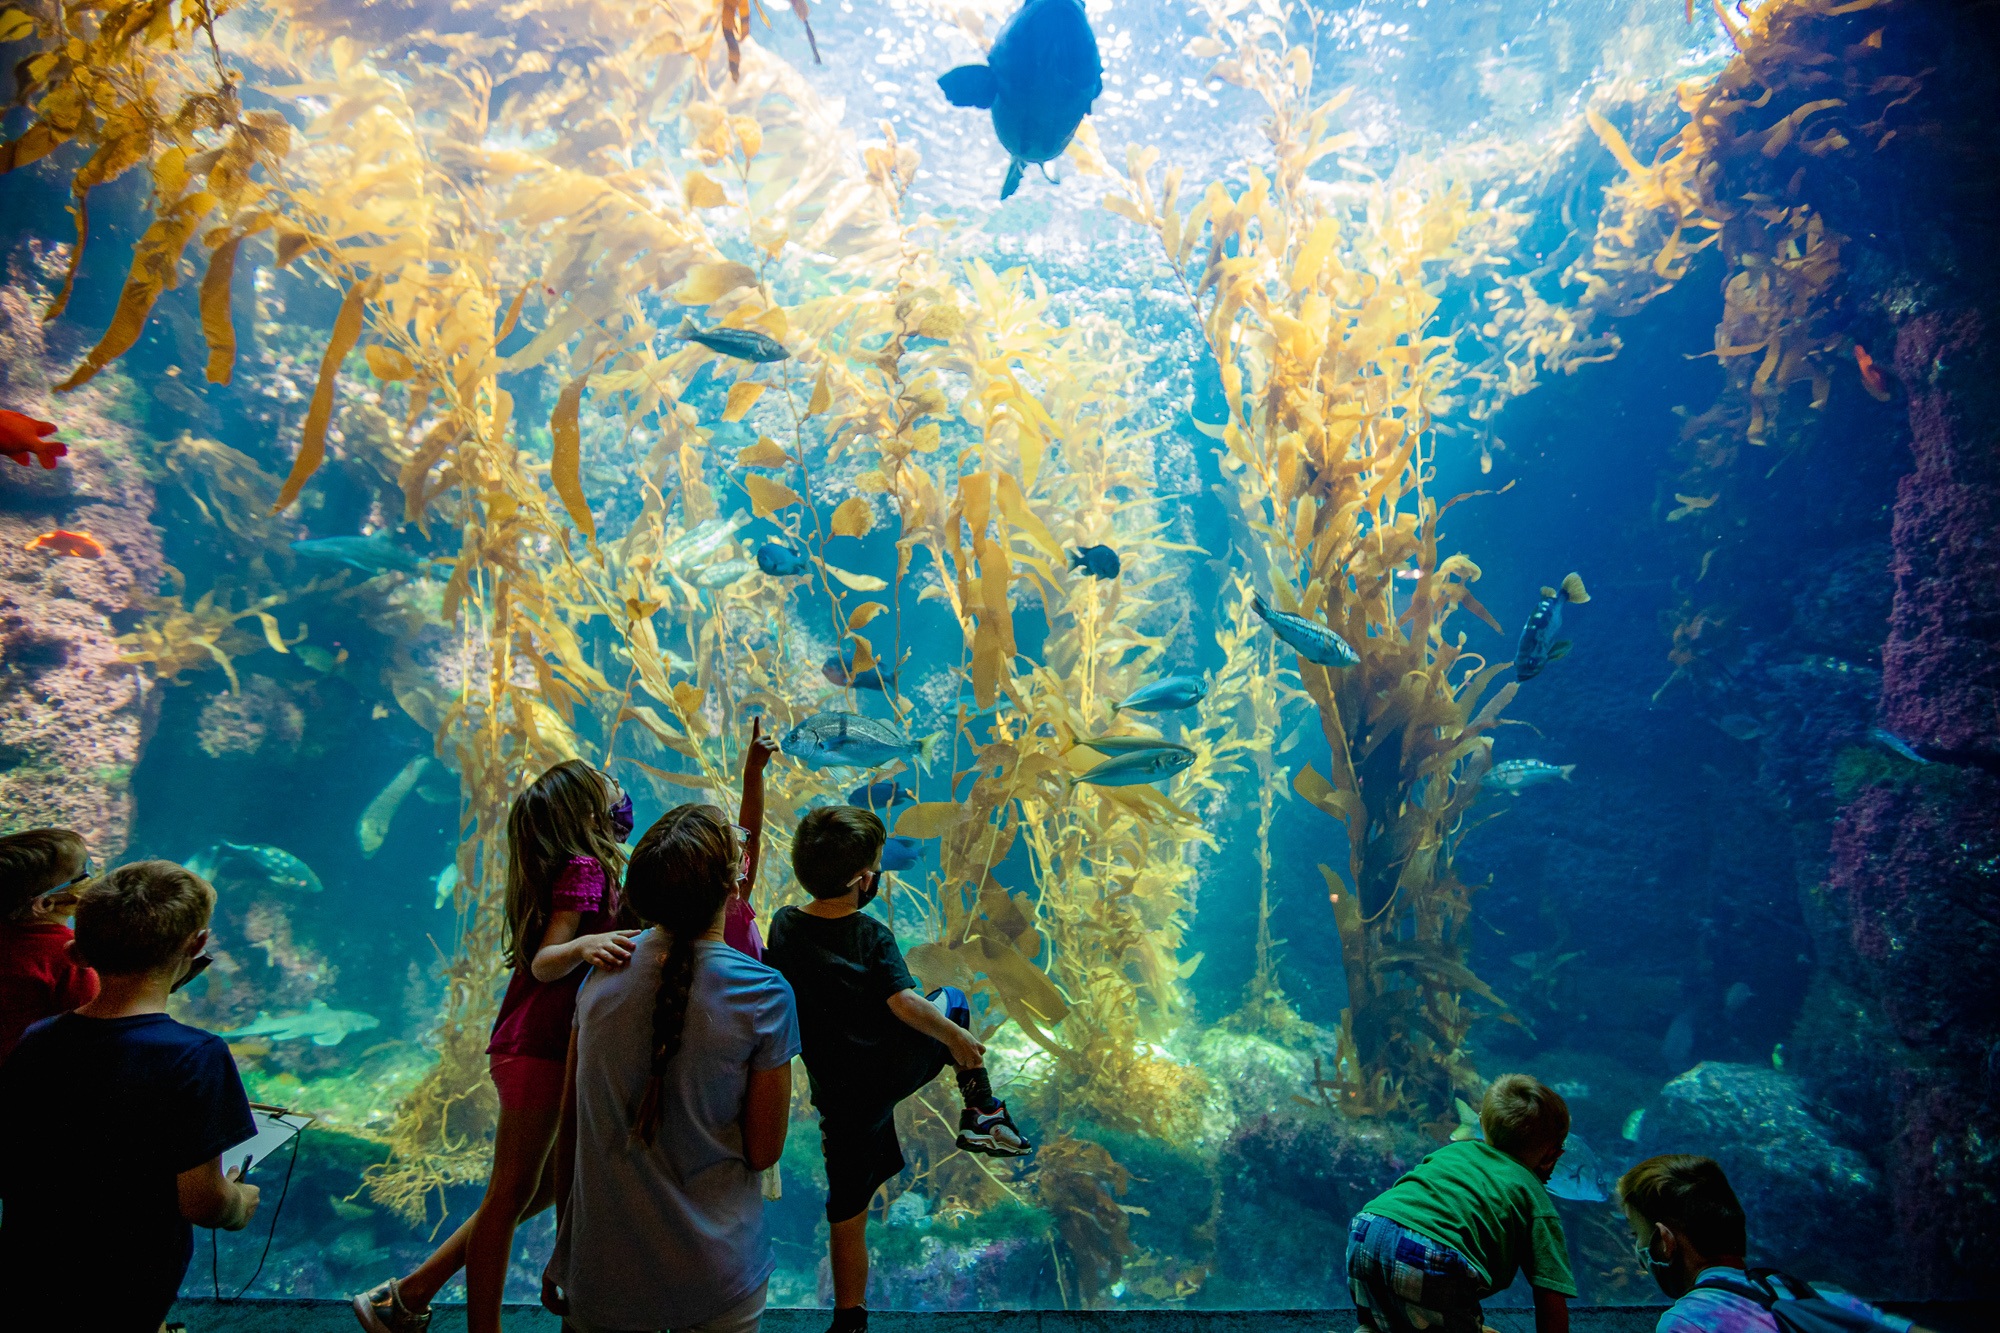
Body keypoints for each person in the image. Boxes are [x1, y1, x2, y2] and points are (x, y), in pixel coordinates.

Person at [355, 760, 638, 1333]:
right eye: (606, 786)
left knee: (530, 1191)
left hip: (553, 1047)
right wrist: (589, 944)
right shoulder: (584, 866)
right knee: (509, 1194)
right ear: (586, 811)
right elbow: (544, 959)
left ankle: (406, 1297)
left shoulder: (594, 863)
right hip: (537, 1045)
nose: (618, 791)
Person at [763, 805, 1031, 1333]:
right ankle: (980, 1109)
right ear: (866, 880)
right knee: (949, 998)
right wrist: (958, 1039)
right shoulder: (872, 935)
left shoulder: (786, 926)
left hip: (841, 1096)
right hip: (891, 1067)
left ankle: (849, 1319)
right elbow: (905, 1002)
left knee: (847, 1210)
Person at [544, 803, 800, 1333]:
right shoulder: (765, 995)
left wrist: (562, 1247)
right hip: (718, 1276)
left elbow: (570, 1128)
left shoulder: (598, 979)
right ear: (733, 887)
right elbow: (764, 1150)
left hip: (600, 1270)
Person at [0, 860, 261, 1333]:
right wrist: (239, 1202)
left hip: (29, 1268)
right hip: (129, 1279)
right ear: (198, 944)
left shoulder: (37, 1039)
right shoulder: (197, 1055)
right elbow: (202, 1202)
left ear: (76, 951)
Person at [1347, 1073, 1578, 1333]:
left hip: (1368, 1229)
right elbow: (1550, 1295)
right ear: (1553, 1154)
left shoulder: (1452, 1151)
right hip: (1434, 1254)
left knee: (1386, 1323)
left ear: (1481, 1123)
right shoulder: (1534, 1196)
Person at [1618, 1154, 1920, 1333]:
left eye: (1636, 1235)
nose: (1638, 1252)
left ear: (1664, 1242)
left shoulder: (1687, 1322)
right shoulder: (1826, 1304)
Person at [0, 827, 100, 1063]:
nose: (93, 877)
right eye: (84, 873)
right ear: (45, 903)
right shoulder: (71, 957)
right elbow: (91, 1032)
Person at [723, 718, 778, 960]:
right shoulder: (730, 912)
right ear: (734, 885)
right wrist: (754, 769)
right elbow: (751, 837)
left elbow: (749, 840)